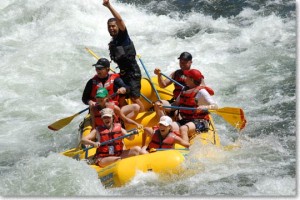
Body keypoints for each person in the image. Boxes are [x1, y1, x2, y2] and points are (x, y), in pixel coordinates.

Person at [103, 0, 145, 111]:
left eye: (113, 26)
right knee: (120, 96)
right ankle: (124, 115)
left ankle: (142, 112)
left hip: (133, 72)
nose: (111, 28)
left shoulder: (123, 36)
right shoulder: (114, 41)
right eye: (109, 27)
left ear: (118, 26)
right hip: (123, 73)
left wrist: (108, 6)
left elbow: (120, 20)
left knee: (134, 97)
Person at [161, 69, 218, 143]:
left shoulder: (201, 92)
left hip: (200, 121)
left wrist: (204, 107)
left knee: (183, 129)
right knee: (169, 127)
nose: (185, 78)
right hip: (186, 120)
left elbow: (215, 106)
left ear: (191, 79)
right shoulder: (184, 90)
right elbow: (175, 105)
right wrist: (164, 107)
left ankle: (185, 148)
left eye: (186, 76)